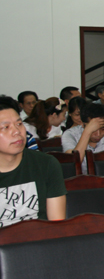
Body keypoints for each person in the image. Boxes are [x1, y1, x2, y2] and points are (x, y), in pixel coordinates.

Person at [0, 97, 66, 227]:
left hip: (39, 238)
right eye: (6, 127)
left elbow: (57, 226)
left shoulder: (46, 164)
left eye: (19, 124)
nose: (17, 131)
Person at [62, 103, 104, 173]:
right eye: (94, 130)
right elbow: (73, 164)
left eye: (103, 129)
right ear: (82, 123)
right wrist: (87, 132)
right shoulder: (69, 134)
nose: (98, 134)